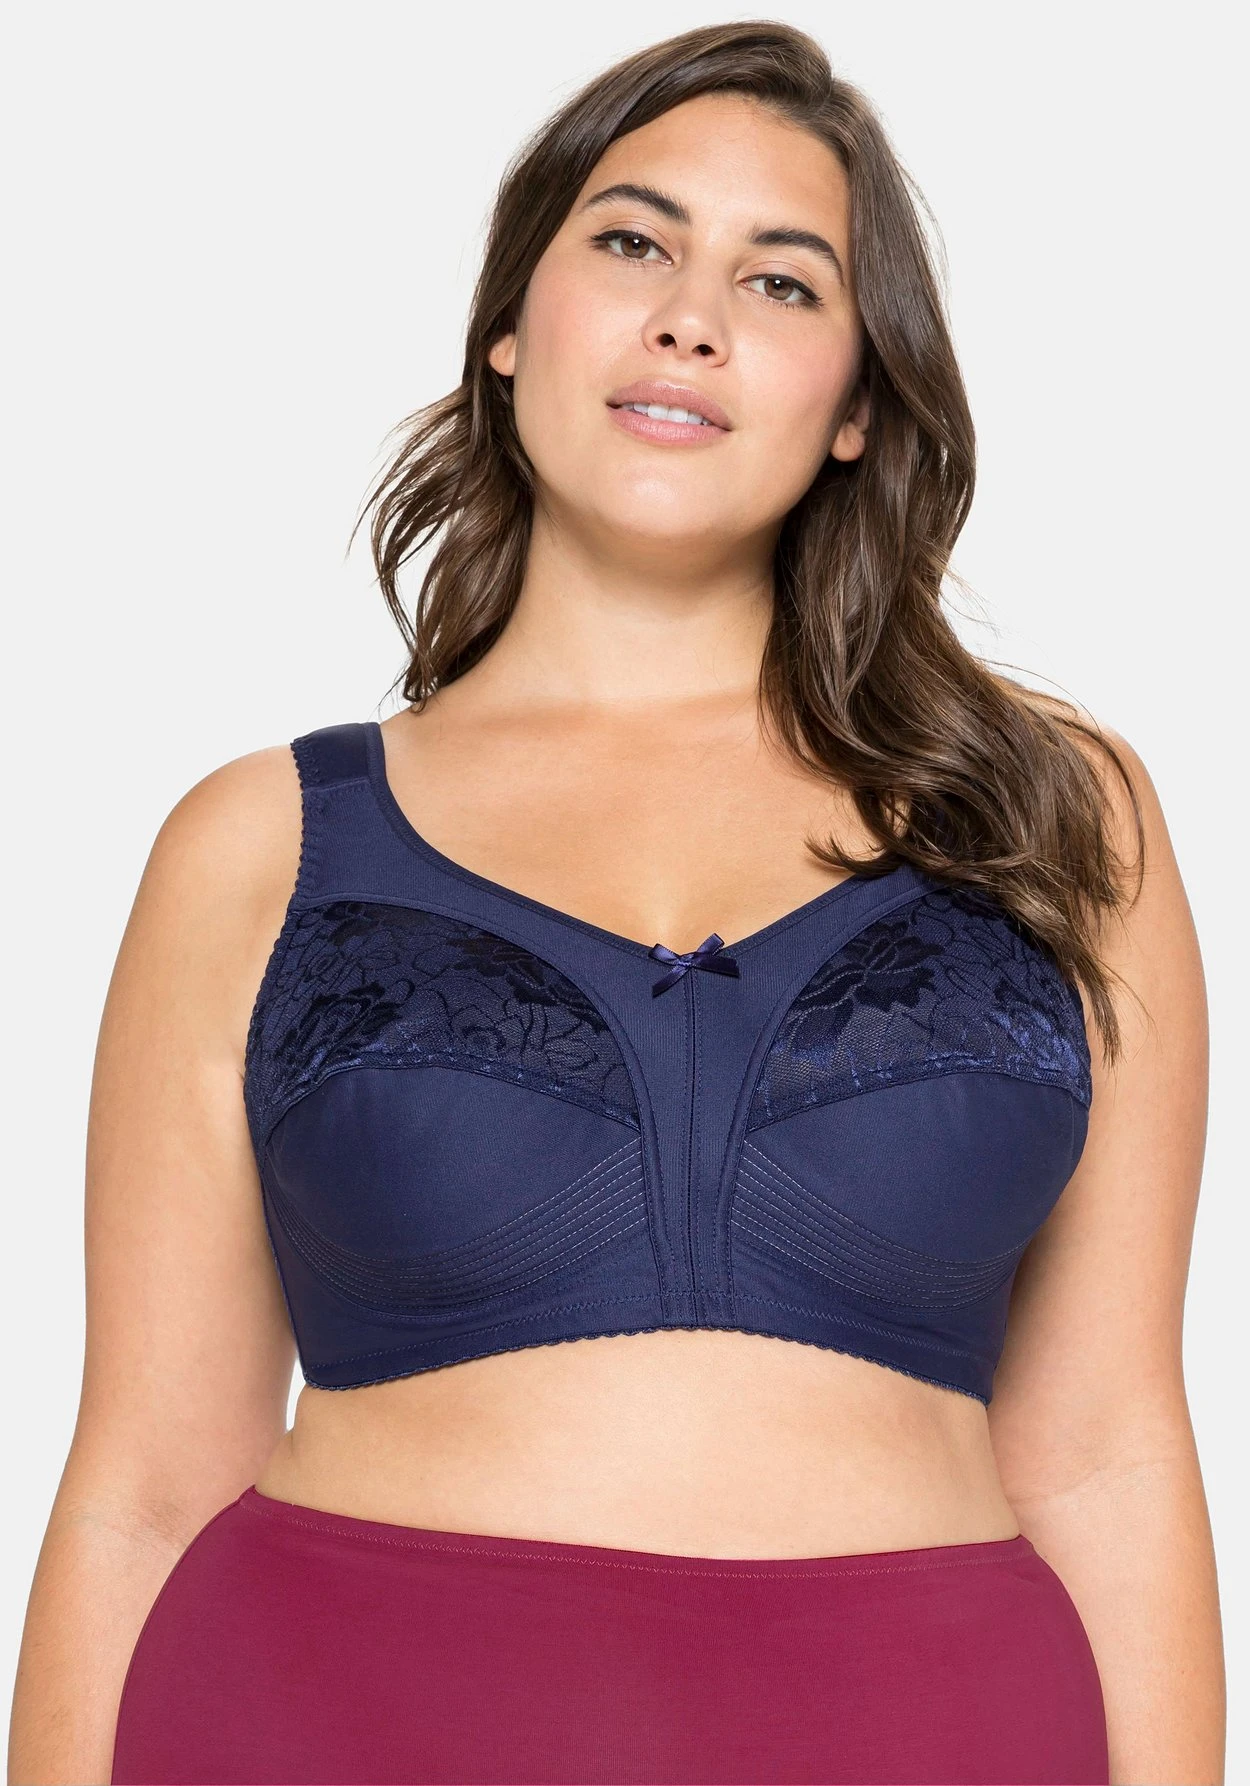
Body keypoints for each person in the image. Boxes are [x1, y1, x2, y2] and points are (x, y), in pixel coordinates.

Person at [7, 20, 1224, 1786]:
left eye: (781, 280)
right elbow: (140, 1486)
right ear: (511, 322)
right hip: (323, 1725)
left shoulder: (1054, 819)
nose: (689, 317)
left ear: (858, 403)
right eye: (634, 241)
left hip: (925, 1734)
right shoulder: (259, 846)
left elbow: (1110, 1451)